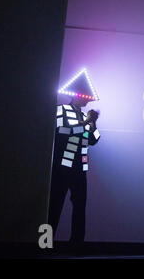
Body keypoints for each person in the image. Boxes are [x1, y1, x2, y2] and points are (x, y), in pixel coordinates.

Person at [48, 95, 101, 243]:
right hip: (62, 166)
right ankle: (44, 244)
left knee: (79, 208)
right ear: (75, 95)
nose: (88, 101)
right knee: (53, 206)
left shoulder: (85, 116)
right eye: (86, 97)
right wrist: (85, 122)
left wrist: (93, 123)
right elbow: (62, 131)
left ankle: (77, 245)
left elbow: (94, 139)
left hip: (80, 166)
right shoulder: (61, 110)